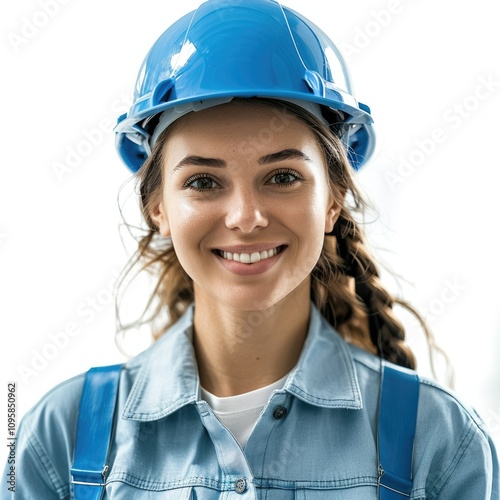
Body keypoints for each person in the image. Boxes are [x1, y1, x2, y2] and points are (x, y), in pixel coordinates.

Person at [3, 0, 499, 498]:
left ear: (334, 200)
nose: (245, 217)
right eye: (203, 181)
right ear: (158, 208)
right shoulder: (58, 441)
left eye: (282, 177)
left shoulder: (440, 440)